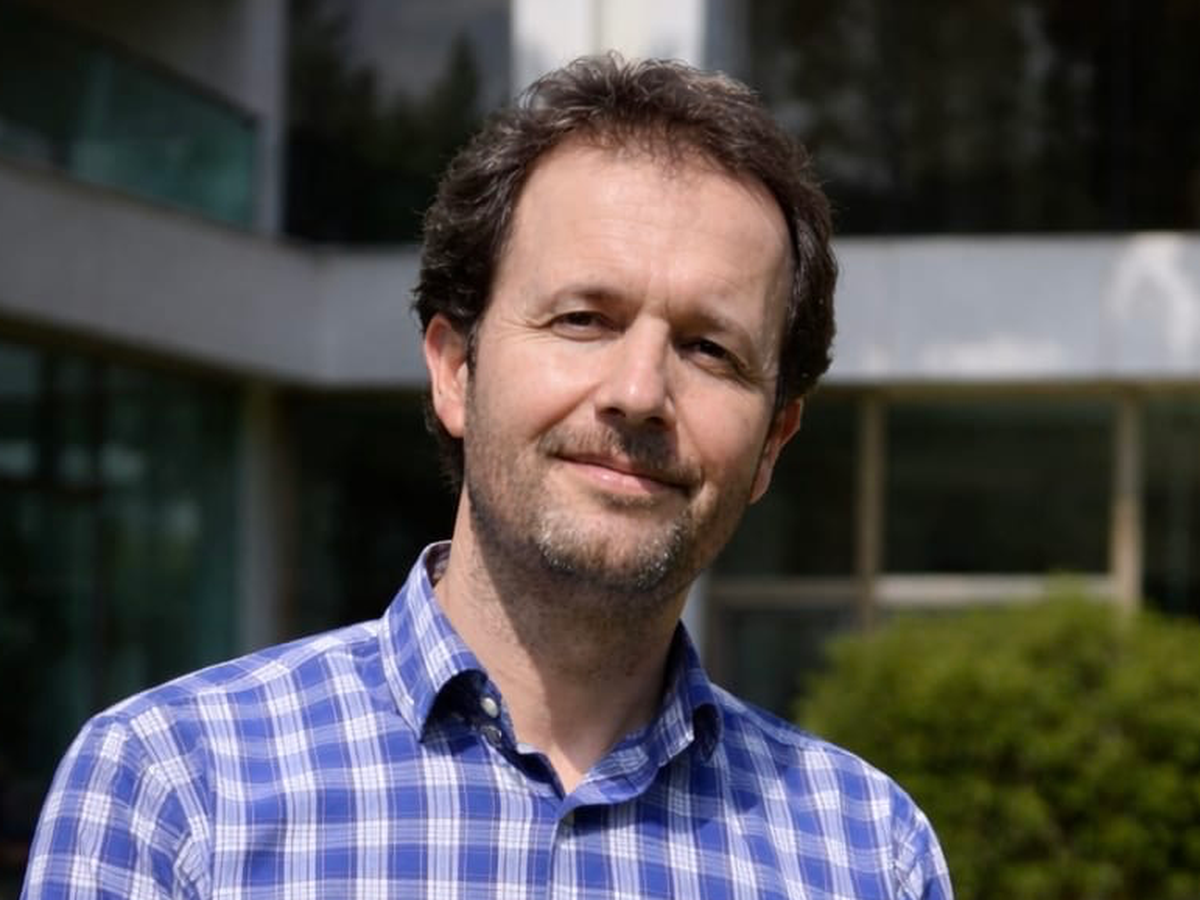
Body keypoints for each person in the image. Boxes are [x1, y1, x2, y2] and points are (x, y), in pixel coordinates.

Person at [22, 55, 952, 899]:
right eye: (583, 319)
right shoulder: (174, 794)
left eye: (710, 349)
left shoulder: (868, 854)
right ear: (455, 369)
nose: (639, 393)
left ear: (775, 440)